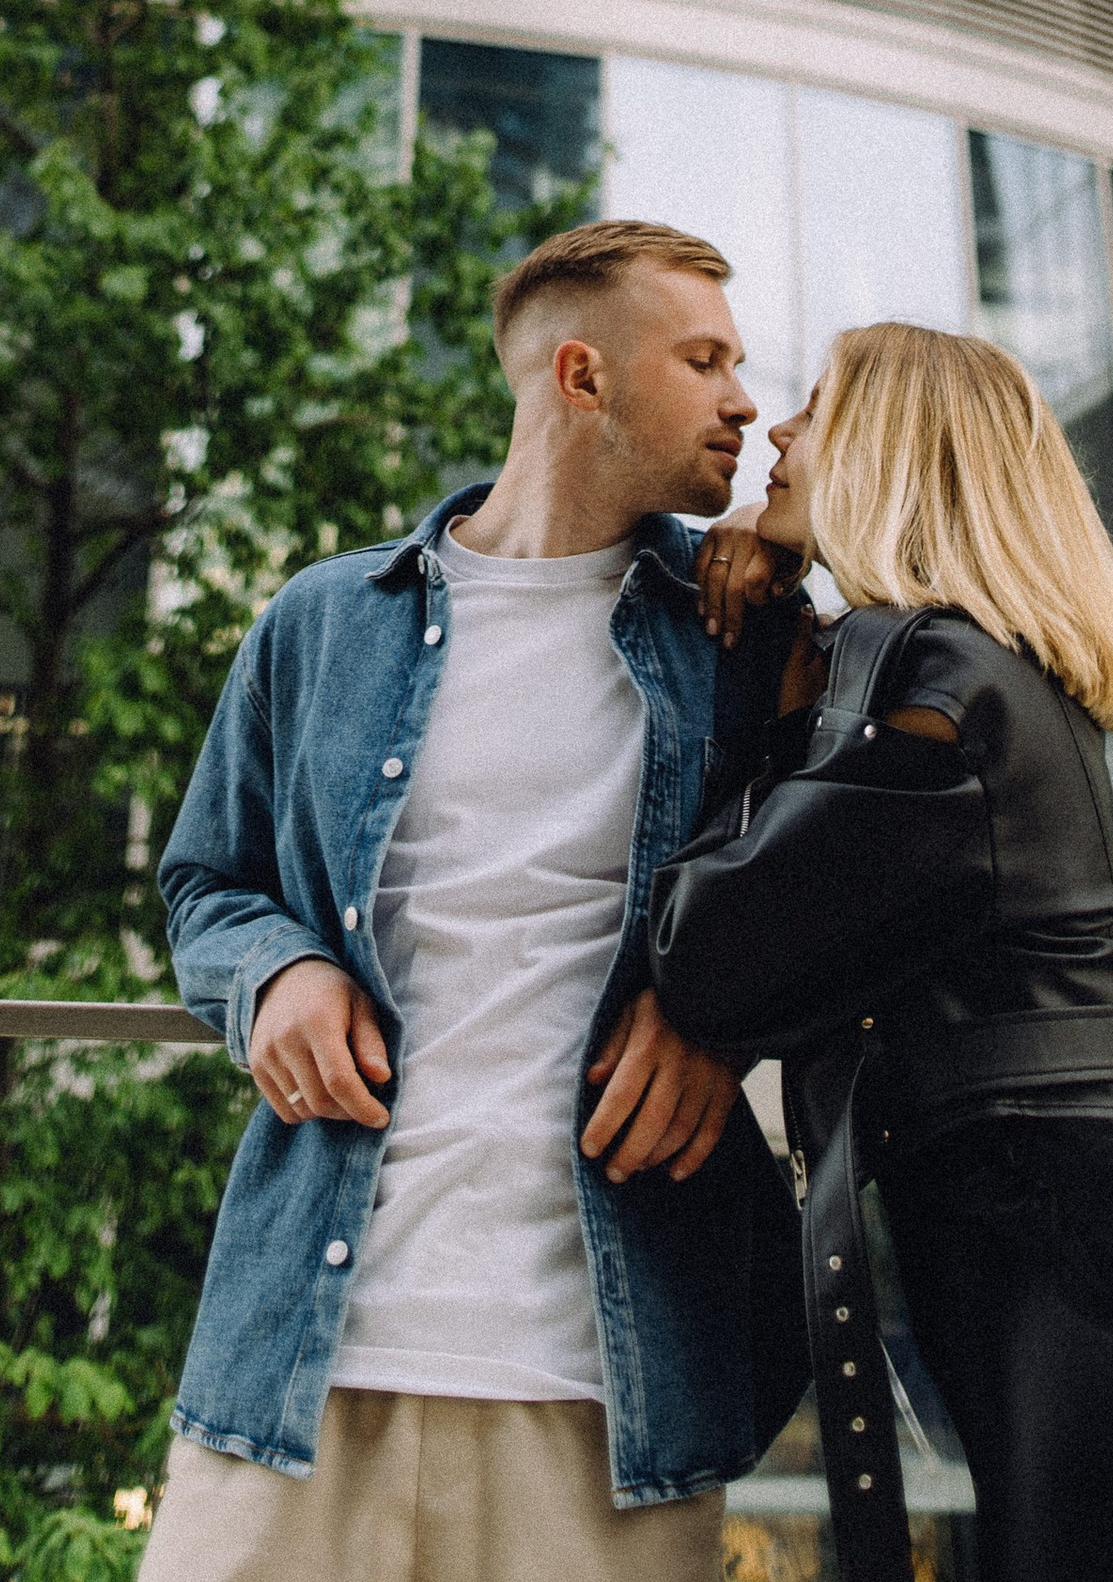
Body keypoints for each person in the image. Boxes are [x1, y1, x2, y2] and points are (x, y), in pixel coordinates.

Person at [654, 320, 1113, 1582]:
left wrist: (750, 692)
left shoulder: (945, 680)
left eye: (816, 409)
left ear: (896, 450)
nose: (775, 428)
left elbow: (713, 956)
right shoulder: (961, 672)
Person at [144, 219, 808, 1582]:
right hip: (302, 1363)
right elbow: (206, 880)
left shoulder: (742, 637)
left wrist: (717, 1022)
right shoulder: (325, 622)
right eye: (703, 360)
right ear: (581, 377)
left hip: (608, 1383)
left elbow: (836, 890)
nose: (745, 398)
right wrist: (274, 971)